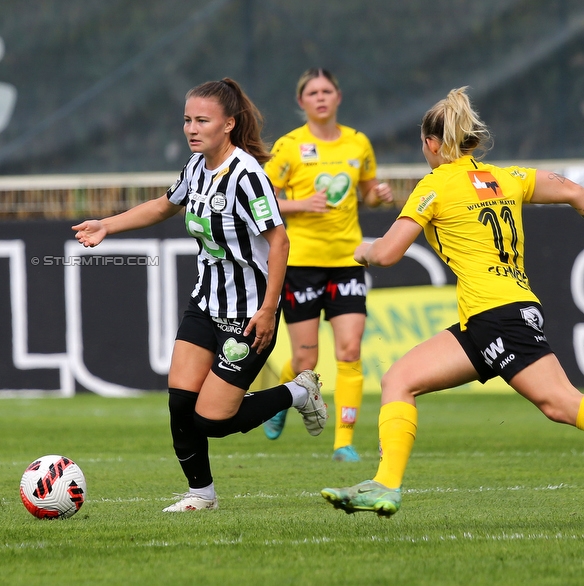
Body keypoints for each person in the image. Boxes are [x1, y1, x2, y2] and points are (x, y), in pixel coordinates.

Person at [321, 87, 584, 516]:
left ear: (431, 144)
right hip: (488, 317)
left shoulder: (436, 184)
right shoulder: (507, 177)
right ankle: (385, 486)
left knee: (561, 404)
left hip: (499, 315)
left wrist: (362, 249)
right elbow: (573, 190)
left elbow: (387, 254)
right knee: (400, 379)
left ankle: (385, 484)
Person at [73, 77, 327, 512]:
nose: (191, 128)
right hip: (205, 304)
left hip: (248, 312)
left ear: (228, 124)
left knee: (212, 419)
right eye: (187, 120)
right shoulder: (195, 168)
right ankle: (201, 495)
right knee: (180, 405)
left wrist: (268, 310)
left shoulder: (247, 176)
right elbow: (162, 206)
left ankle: (299, 393)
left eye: (202, 120)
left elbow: (280, 242)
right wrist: (107, 225)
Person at [261, 68, 393, 461]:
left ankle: (344, 442)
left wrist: (378, 195)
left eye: (327, 91)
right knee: (306, 361)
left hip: (347, 260)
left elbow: (368, 191)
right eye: (312, 92)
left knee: (350, 349)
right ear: (301, 103)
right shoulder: (288, 147)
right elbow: (261, 199)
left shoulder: (358, 143)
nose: (320, 97)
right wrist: (300, 204)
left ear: (338, 97)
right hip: (300, 263)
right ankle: (281, 401)